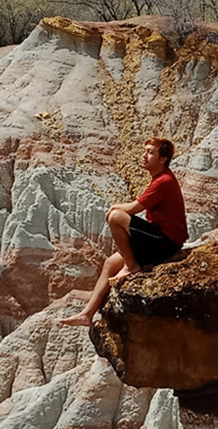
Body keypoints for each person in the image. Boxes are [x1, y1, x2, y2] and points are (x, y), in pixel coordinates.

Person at [60, 138, 187, 327]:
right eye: (145, 151)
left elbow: (134, 208)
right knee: (110, 263)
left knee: (116, 217)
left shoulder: (164, 181)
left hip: (166, 241)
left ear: (163, 159)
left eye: (150, 152)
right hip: (158, 237)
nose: (144, 155)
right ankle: (87, 314)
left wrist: (113, 208)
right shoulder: (159, 178)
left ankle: (131, 266)